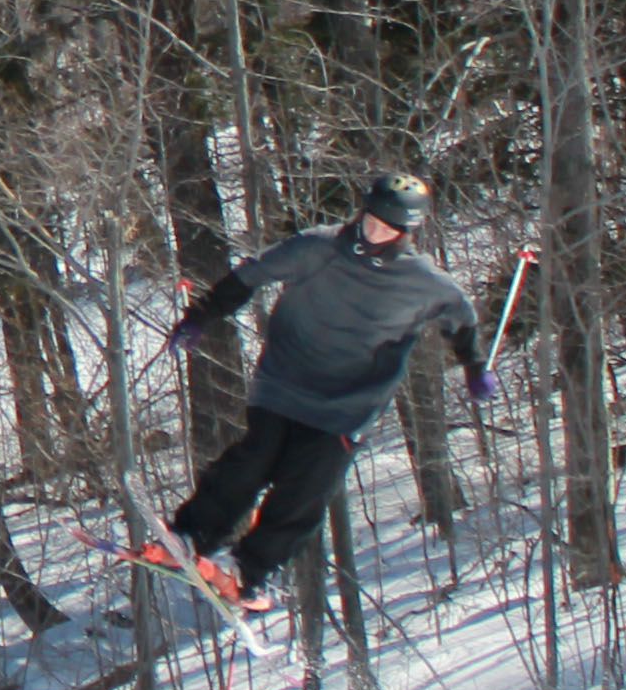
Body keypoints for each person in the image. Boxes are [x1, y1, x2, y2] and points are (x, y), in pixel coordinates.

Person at [160, 172, 494, 608]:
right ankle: (193, 534)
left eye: (387, 229)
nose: (373, 234)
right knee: (254, 458)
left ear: (407, 232)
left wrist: (474, 367)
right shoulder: (317, 247)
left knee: (306, 489)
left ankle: (248, 571)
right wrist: (200, 316)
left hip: (347, 406)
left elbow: (462, 320)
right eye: (370, 220)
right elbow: (248, 277)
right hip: (284, 381)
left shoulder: (424, 283)